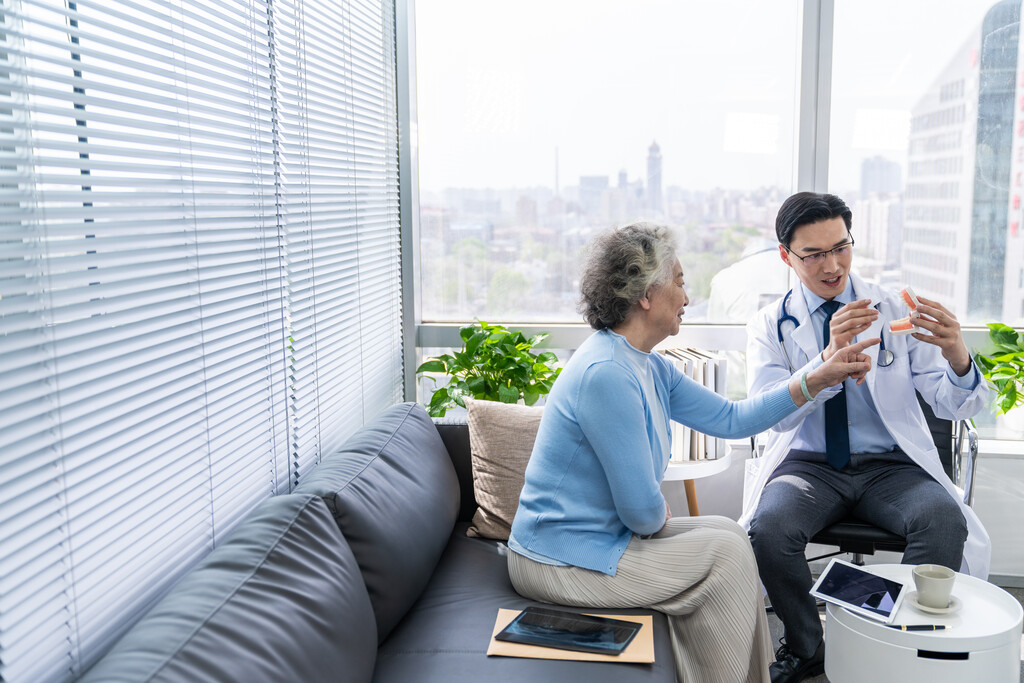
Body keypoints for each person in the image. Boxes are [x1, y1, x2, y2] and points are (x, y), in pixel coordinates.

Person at [507, 222, 879, 683]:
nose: (687, 295)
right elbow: (642, 513)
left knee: (731, 534)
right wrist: (652, 513)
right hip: (557, 558)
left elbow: (733, 418)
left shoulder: (648, 365)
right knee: (724, 559)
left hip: (603, 539)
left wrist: (819, 374)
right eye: (679, 281)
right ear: (646, 293)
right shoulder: (606, 372)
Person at [741, 192, 992, 683]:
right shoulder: (770, 325)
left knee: (943, 521)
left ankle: (892, 641)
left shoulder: (895, 306)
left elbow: (950, 402)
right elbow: (773, 415)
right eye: (814, 254)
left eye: (841, 247)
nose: (832, 265)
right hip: (809, 465)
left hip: (890, 467)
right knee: (769, 531)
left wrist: (959, 358)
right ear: (786, 255)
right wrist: (826, 362)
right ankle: (808, 645)